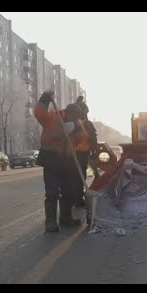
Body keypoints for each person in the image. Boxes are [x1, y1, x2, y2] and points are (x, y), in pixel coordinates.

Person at [34, 90, 87, 232]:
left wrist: (75, 127)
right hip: (51, 159)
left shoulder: (76, 123)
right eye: (74, 118)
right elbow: (39, 113)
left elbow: (83, 136)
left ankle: (65, 218)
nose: (76, 120)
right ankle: (50, 222)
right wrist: (45, 99)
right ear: (67, 112)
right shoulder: (52, 117)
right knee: (51, 192)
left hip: (67, 160)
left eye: (78, 118)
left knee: (68, 191)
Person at [74, 96, 98, 207]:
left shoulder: (87, 124)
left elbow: (93, 139)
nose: (84, 113)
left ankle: (78, 198)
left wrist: (93, 149)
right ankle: (75, 198)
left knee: (80, 176)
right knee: (73, 177)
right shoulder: (73, 123)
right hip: (71, 155)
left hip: (83, 154)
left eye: (84, 112)